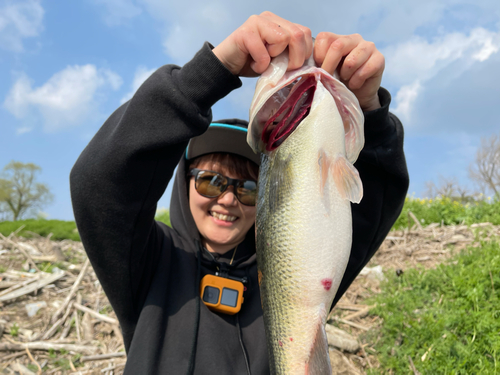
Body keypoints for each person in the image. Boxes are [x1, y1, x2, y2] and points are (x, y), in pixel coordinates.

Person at [70, 11, 409, 375]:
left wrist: (370, 115)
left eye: (248, 188)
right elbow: (100, 185)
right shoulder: (152, 262)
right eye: (210, 181)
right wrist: (210, 73)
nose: (228, 199)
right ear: (183, 184)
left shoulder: (292, 257)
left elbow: (374, 199)